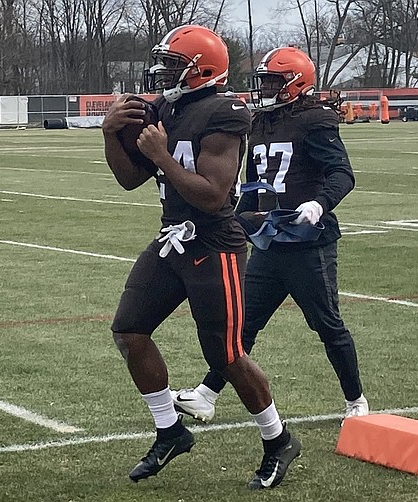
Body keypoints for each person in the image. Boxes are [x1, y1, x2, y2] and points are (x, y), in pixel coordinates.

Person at [102, 25, 300, 490]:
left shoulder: (224, 111)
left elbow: (214, 196)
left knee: (226, 354)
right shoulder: (166, 108)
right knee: (129, 331)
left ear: (201, 70)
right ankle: (170, 430)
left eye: (174, 64)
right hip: (173, 237)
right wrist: (110, 135)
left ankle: (278, 439)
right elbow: (129, 179)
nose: (163, 71)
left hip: (214, 242)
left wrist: (163, 156)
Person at [172, 46, 368, 425]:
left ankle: (356, 400)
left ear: (295, 84)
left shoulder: (315, 120)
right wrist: (237, 219)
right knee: (242, 324)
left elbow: (342, 174)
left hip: (309, 244)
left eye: (273, 81)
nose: (265, 88)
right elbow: (251, 185)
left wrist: (319, 204)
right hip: (269, 240)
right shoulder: (259, 121)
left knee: (327, 324)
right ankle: (207, 395)